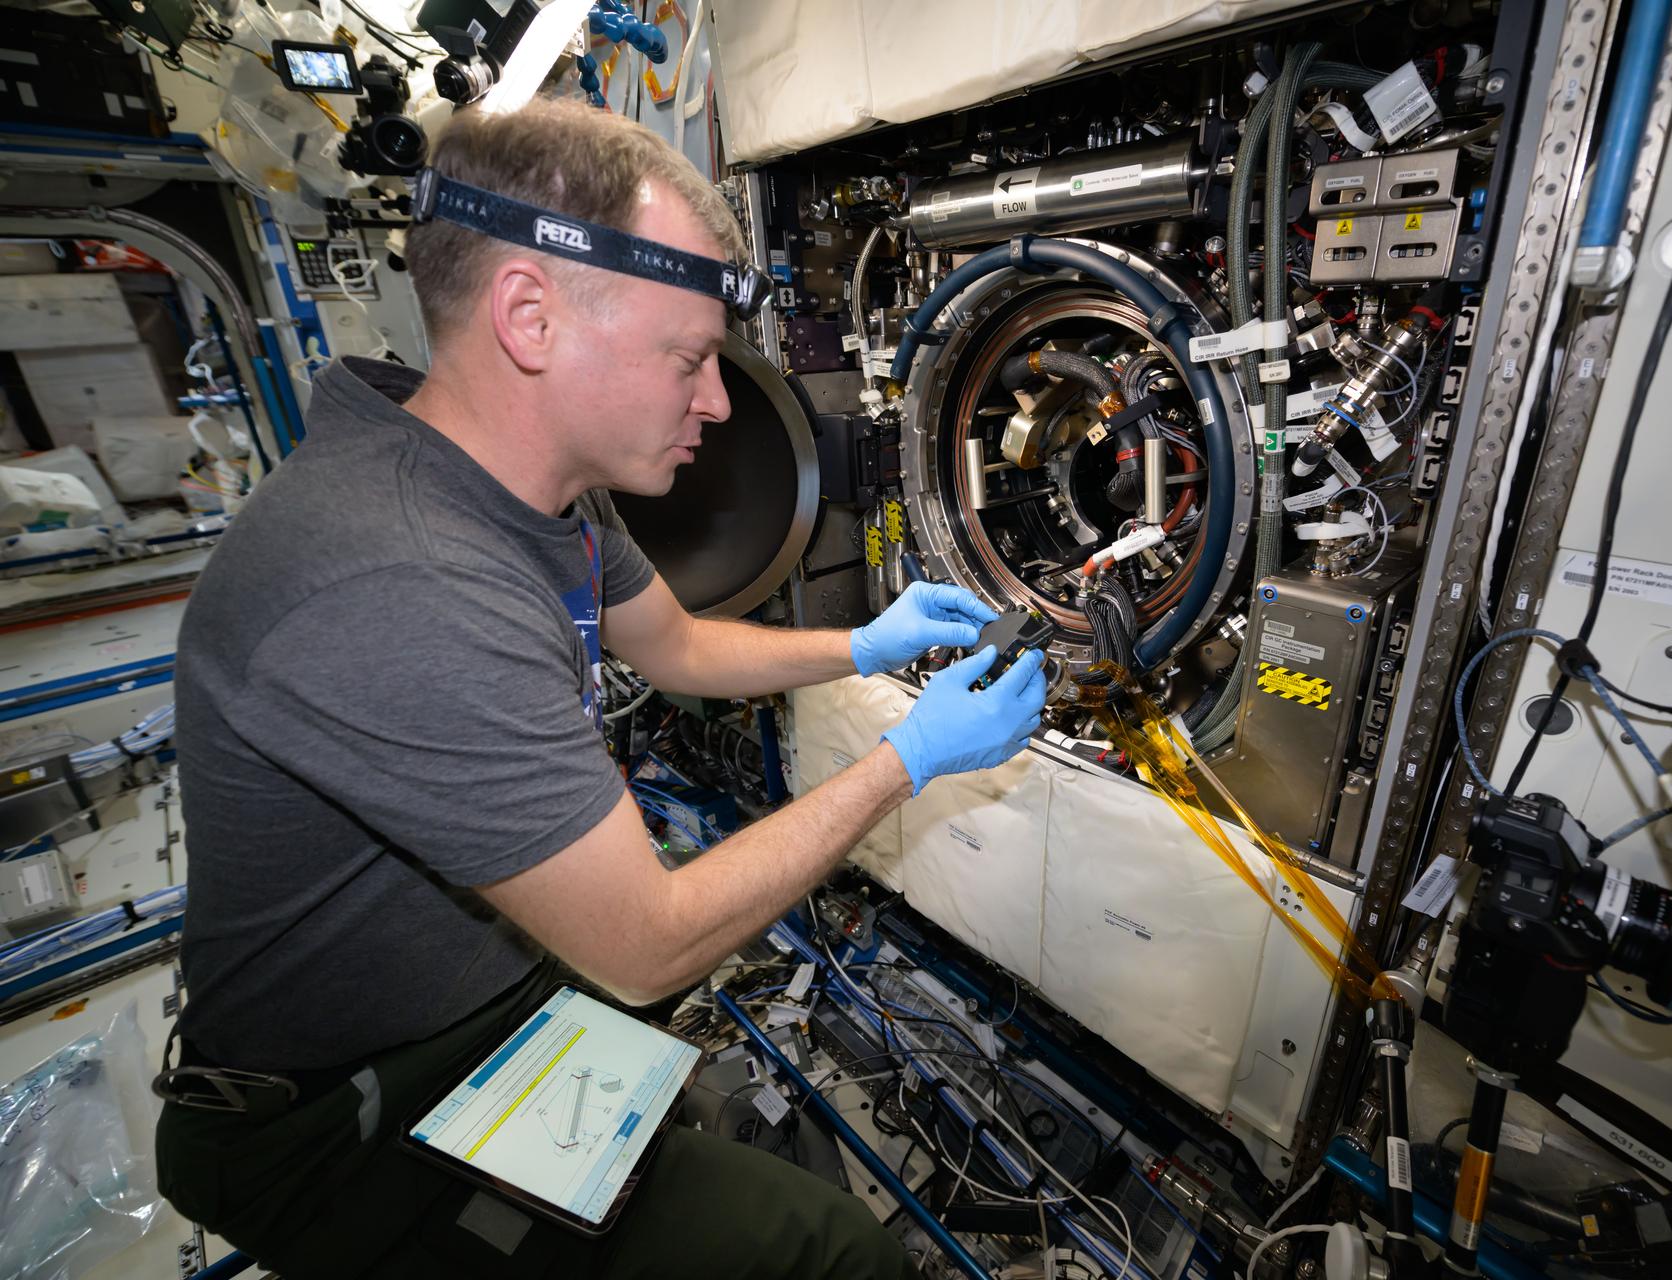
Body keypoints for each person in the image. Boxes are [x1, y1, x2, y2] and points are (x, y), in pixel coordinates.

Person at [154, 97, 1046, 1278]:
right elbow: (645, 942)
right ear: (530, 316)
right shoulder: (398, 579)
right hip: (334, 1118)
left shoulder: (524, 492)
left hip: (479, 998)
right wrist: (908, 759)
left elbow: (674, 644)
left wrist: (863, 649)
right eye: (688, 358)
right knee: (829, 1250)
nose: (719, 401)